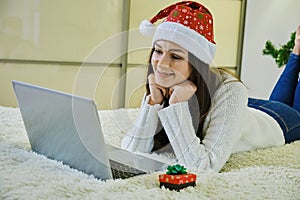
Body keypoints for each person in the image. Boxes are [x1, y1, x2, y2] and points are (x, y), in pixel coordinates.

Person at [121, 1, 300, 172]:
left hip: (279, 121)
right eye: (158, 51)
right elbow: (129, 153)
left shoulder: (230, 90)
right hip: (242, 109)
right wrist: (153, 102)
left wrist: (177, 106)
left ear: (197, 63)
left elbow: (203, 167)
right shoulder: (165, 86)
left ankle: (296, 53)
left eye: (175, 57)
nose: (161, 64)